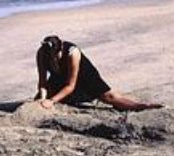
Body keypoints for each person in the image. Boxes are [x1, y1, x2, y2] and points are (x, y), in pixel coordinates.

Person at [35, 35, 163, 111]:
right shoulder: (42, 53)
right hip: (59, 77)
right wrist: (42, 99)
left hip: (83, 74)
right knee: (40, 99)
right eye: (51, 58)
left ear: (61, 48)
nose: (54, 60)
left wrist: (51, 101)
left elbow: (70, 85)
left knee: (110, 98)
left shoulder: (72, 52)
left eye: (56, 57)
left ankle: (142, 106)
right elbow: (42, 82)